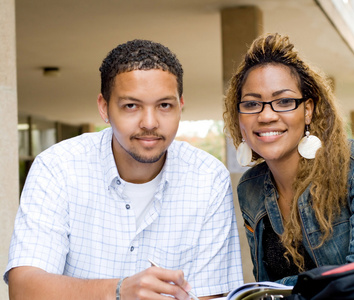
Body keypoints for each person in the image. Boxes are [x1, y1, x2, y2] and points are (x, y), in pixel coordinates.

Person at [5, 39, 243, 299]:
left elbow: (213, 295)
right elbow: (24, 288)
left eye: (164, 105)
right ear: (104, 108)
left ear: (180, 106)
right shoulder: (57, 168)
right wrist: (119, 290)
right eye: (131, 106)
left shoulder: (208, 179)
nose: (150, 123)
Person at [223, 33, 354, 286]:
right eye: (251, 104)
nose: (266, 115)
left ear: (307, 111)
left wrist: (289, 288)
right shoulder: (250, 187)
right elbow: (264, 286)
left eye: (283, 101)